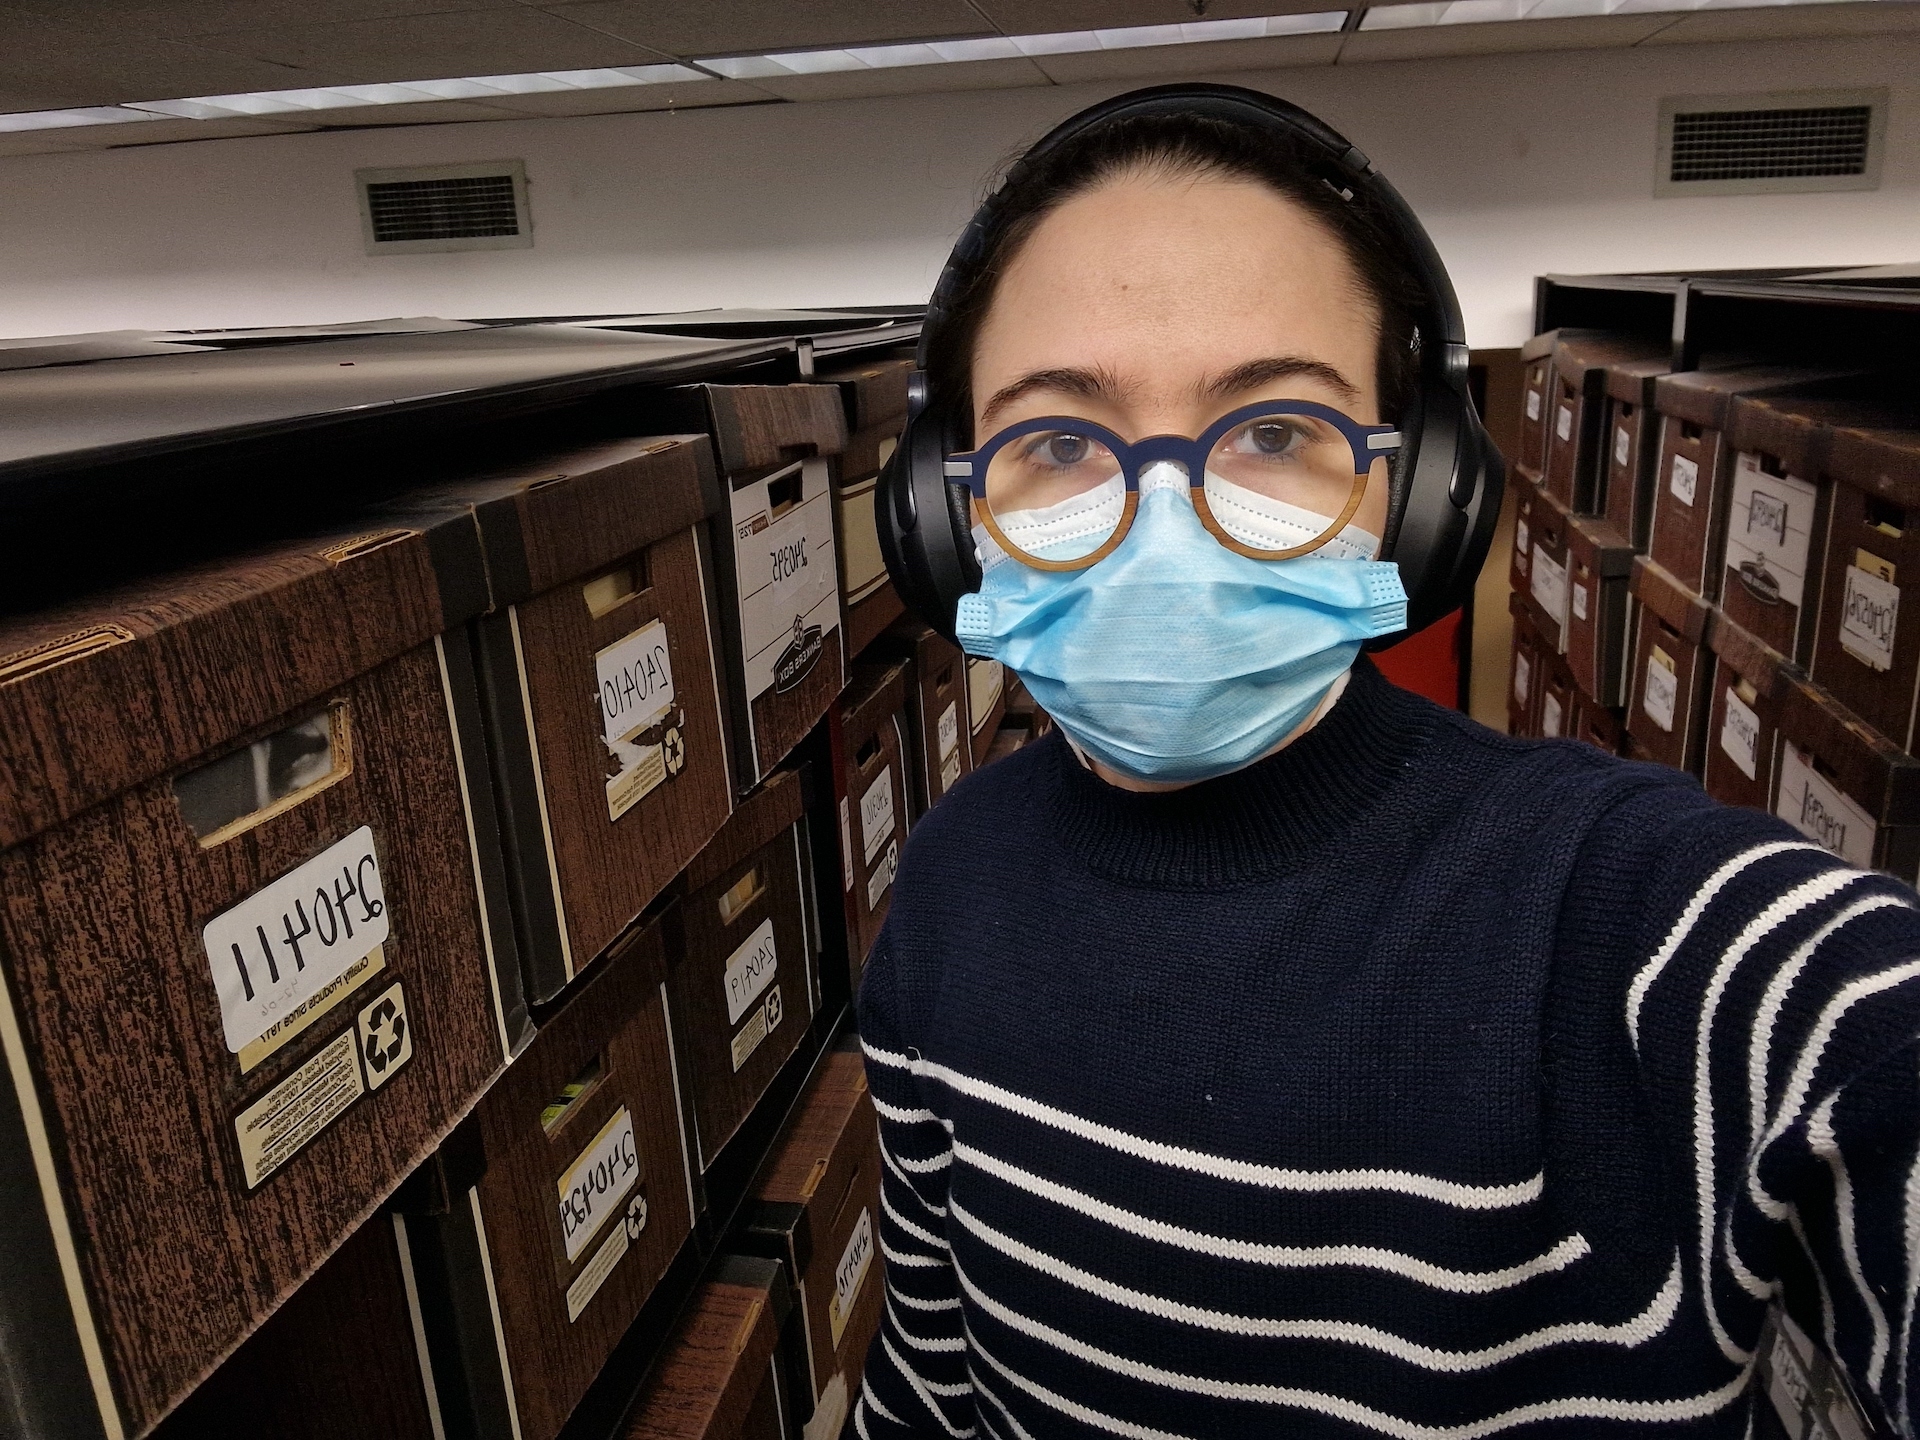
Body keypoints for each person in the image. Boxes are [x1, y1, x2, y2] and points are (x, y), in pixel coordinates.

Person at [849, 84, 1920, 1439]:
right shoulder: (947, 882)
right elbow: (931, 1382)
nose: (1165, 524)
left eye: (1275, 433)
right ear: (951, 523)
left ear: (1415, 495)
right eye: (1059, 441)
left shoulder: (1626, 922)